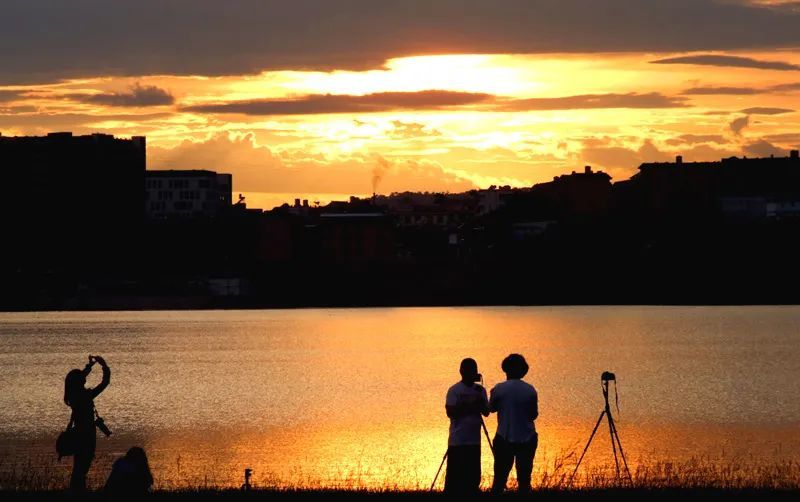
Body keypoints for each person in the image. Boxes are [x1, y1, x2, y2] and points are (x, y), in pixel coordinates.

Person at [489, 353, 538, 494]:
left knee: (499, 479)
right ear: (523, 370)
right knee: (524, 481)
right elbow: (533, 415)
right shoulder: (530, 390)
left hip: (504, 437)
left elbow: (491, 409)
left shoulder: (498, 388)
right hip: (527, 437)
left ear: (505, 369)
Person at [63, 355, 111, 492]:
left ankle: (77, 491)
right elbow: (105, 382)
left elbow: (79, 377)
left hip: (79, 432)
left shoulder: (73, 394)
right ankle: (78, 492)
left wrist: (89, 366)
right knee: (83, 466)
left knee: (79, 465)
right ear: (79, 382)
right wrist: (104, 365)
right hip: (87, 434)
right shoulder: (85, 396)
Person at [444, 357, 489, 494]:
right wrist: (471, 406)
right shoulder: (454, 390)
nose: (470, 373)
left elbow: (486, 412)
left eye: (473, 370)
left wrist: (479, 402)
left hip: (474, 440)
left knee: (473, 475)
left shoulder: (480, 390)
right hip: (457, 440)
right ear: (461, 372)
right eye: (467, 370)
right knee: (454, 477)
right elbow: (450, 412)